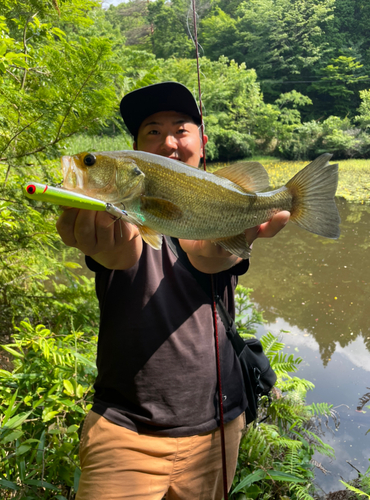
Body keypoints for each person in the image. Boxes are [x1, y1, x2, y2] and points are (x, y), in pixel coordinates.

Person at [56, 82, 289, 500]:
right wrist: (108, 248)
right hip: (124, 432)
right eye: (152, 131)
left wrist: (224, 246)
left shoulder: (222, 203)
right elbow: (121, 250)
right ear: (135, 159)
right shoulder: (119, 218)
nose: (168, 141)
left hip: (218, 429)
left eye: (181, 129)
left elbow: (217, 255)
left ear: (202, 143)